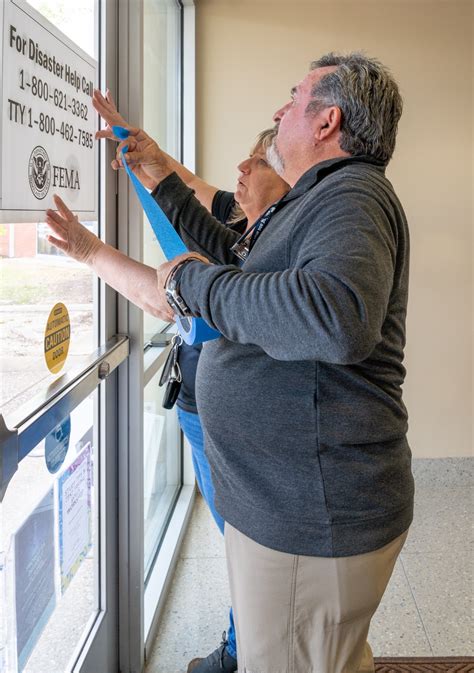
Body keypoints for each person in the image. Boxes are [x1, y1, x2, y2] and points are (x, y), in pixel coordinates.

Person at [47, 52, 415, 673]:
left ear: (326, 122)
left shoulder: (354, 195)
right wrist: (157, 177)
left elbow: (336, 318)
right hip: (292, 508)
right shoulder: (315, 199)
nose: (280, 109)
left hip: (312, 517)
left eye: (294, 98)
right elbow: (231, 256)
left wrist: (194, 284)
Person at [54, 90, 289, 673]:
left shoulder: (258, 259)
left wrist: (87, 249)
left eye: (259, 164)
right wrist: (142, 149)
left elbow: (162, 299)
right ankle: (248, 642)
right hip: (207, 405)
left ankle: (244, 651)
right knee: (244, 540)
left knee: (243, 539)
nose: (241, 172)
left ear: (291, 191)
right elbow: (194, 190)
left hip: (226, 420)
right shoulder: (249, 228)